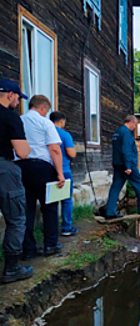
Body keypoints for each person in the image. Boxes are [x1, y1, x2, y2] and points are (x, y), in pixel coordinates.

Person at [15, 95, 65, 260]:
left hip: (21, 167)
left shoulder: (18, 120)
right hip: (42, 167)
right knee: (49, 207)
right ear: (42, 108)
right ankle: (50, 244)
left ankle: (28, 249)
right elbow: (55, 149)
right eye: (47, 111)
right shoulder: (45, 123)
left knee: (27, 209)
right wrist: (59, 173)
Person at [0, 79, 34, 283]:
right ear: (10, 95)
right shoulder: (10, 118)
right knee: (16, 219)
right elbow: (22, 152)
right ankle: (11, 268)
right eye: (18, 98)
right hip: (4, 170)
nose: (18, 102)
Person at [105, 115, 140, 219]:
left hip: (117, 164)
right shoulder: (126, 133)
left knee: (115, 187)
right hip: (127, 164)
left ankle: (110, 212)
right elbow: (126, 150)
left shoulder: (117, 132)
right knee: (139, 183)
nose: (135, 127)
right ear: (131, 122)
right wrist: (128, 166)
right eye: (135, 125)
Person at [50, 111, 78, 236]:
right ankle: (67, 227)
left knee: (51, 201)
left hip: (48, 170)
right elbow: (71, 153)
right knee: (66, 200)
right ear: (61, 121)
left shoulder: (46, 132)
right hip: (64, 170)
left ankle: (51, 229)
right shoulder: (65, 135)